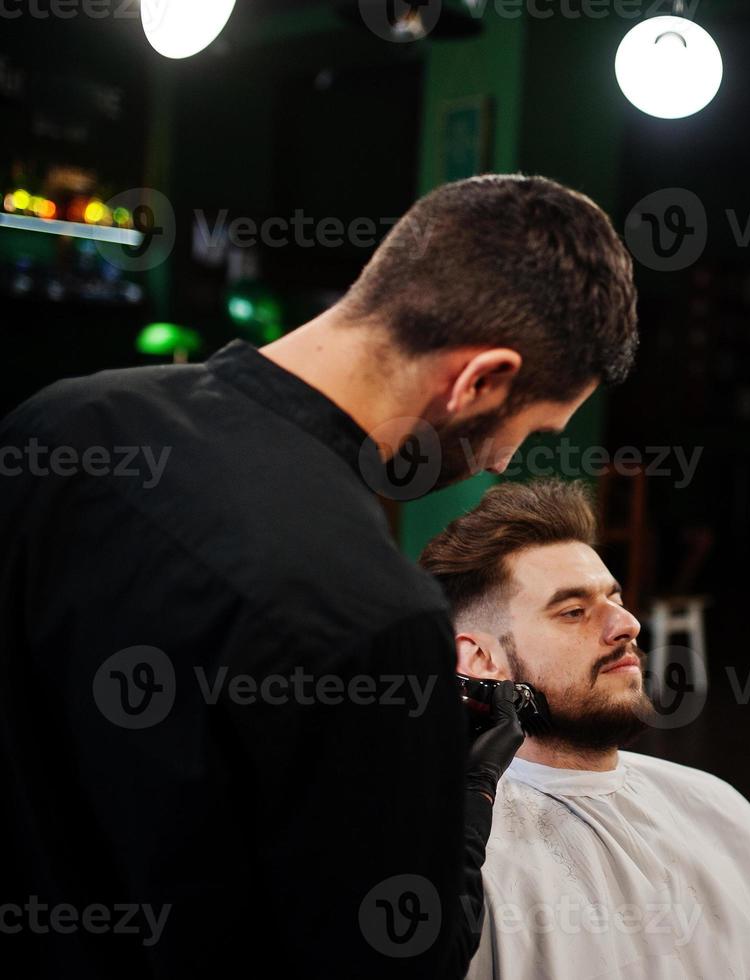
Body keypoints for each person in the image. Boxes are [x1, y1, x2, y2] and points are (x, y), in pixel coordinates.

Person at [0, 174, 638, 978]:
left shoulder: (59, 421)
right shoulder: (373, 613)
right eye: (530, 430)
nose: (507, 462)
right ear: (480, 380)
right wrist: (462, 795)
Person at [417, 478, 750, 979]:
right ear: (481, 658)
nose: (627, 624)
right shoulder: (460, 868)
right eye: (573, 612)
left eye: (615, 599)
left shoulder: (709, 800)